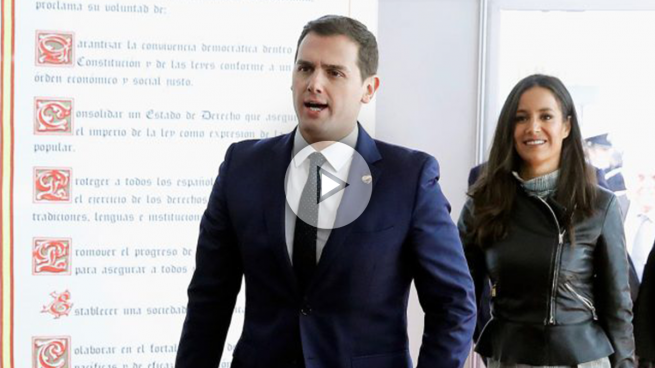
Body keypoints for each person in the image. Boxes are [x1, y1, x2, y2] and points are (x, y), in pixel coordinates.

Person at [176, 15, 476, 368]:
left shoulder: (409, 179)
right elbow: (209, 299)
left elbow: (454, 306)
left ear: (369, 89)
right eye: (304, 68)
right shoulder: (242, 167)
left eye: (334, 72)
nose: (314, 83)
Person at [458, 74, 635, 368]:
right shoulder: (484, 204)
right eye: (521, 118)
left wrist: (625, 364)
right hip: (510, 357)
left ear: (566, 126)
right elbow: (459, 295)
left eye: (546, 116)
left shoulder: (599, 205)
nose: (533, 128)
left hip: (583, 358)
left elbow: (617, 307)